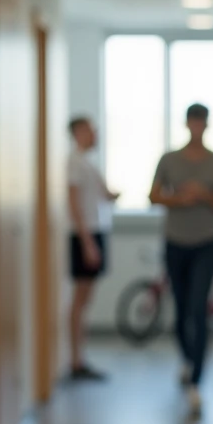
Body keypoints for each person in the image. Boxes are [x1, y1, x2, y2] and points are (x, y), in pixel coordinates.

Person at [149, 103, 213, 418]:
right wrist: (179, 198)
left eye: (202, 122)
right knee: (181, 310)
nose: (197, 126)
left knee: (199, 310)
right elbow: (153, 196)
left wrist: (204, 195)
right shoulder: (169, 160)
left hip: (206, 244)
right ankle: (187, 359)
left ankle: (197, 382)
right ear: (186, 124)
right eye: (192, 121)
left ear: (206, 125)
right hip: (175, 243)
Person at [67, 115, 119, 381]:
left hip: (95, 232)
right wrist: (86, 242)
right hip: (84, 235)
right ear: (77, 132)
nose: (95, 133)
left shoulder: (88, 163)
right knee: (80, 298)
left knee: (86, 299)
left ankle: (80, 358)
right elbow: (73, 204)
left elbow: (102, 196)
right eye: (89, 130)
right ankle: (76, 361)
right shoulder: (74, 162)